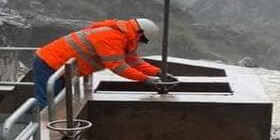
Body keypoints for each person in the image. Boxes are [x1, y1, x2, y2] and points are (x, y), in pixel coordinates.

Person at [33, 18, 177, 107]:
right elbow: (118, 66)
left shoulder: (124, 37)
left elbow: (133, 60)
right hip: (50, 63)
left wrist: (159, 73)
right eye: (142, 40)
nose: (141, 43)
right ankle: (38, 138)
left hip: (62, 67)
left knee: (57, 103)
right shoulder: (111, 37)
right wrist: (145, 79)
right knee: (47, 105)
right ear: (139, 33)